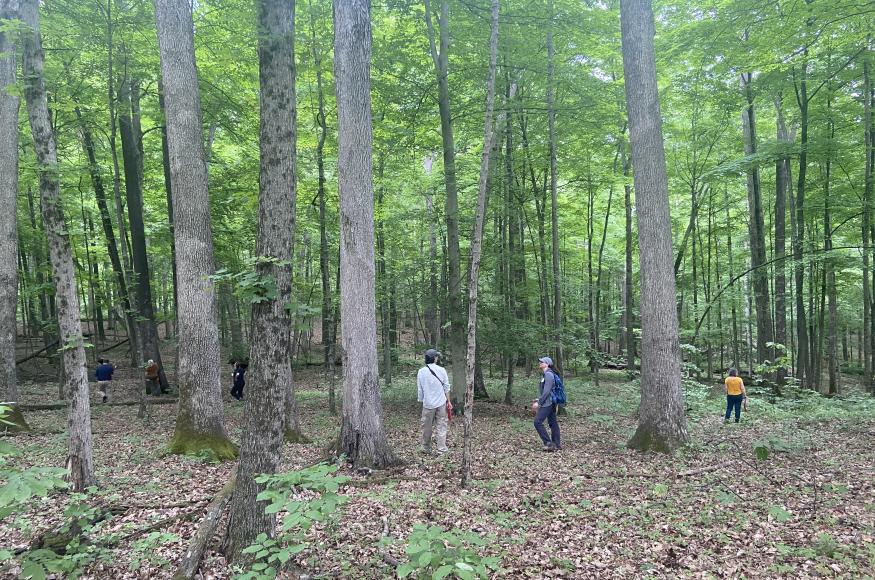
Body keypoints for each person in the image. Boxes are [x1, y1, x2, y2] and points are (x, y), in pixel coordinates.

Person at [417, 348, 451, 455]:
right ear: (434, 358)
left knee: (426, 427)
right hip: (441, 402)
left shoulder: (421, 372)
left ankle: (426, 447)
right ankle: (441, 450)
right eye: (436, 356)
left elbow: (420, 389)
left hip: (428, 404)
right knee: (442, 426)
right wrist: (448, 401)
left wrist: (421, 400)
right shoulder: (442, 370)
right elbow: (446, 388)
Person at [533, 356, 561, 452]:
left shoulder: (548, 374)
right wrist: (539, 398)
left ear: (547, 364)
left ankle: (548, 443)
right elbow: (546, 391)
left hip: (548, 403)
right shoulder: (546, 374)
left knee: (537, 422)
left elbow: (547, 391)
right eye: (540, 361)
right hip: (550, 402)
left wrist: (539, 402)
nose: (540, 362)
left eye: (542, 361)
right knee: (553, 423)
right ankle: (556, 444)